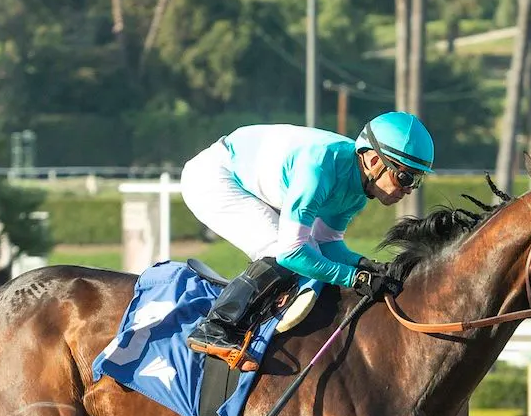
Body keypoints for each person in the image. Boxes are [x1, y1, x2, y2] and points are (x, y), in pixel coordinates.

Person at [180, 111, 434, 371]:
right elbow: (291, 253)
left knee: (305, 251)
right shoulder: (318, 170)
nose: (409, 188)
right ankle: (215, 327)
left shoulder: (357, 192)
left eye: (417, 180)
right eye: (404, 177)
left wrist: (367, 266)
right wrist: (355, 278)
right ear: (372, 160)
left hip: (245, 177)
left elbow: (327, 244)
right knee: (280, 248)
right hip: (212, 177)